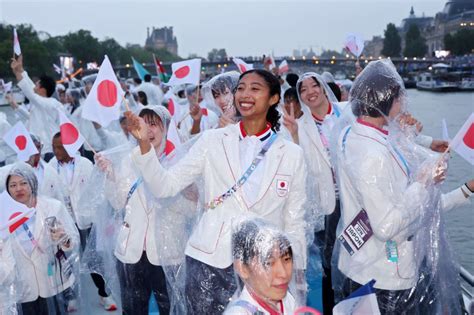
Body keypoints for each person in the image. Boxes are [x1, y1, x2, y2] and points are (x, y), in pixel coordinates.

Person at [125, 69, 307, 314]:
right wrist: (144, 146)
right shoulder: (212, 140)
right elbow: (165, 187)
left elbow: (293, 221)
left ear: (274, 98)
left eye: (255, 89)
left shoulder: (291, 154)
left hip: (265, 267)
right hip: (209, 261)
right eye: (240, 88)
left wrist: (296, 275)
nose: (245, 94)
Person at [334, 59, 473, 313]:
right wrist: (423, 182)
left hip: (362, 264)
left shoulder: (352, 134)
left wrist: (413, 138)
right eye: (400, 97)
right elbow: (387, 225)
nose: (404, 103)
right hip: (385, 275)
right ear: (387, 100)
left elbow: (396, 189)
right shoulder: (373, 153)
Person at [96, 105, 196, 315]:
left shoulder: (182, 162)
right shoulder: (130, 159)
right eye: (143, 124)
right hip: (131, 251)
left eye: (154, 124)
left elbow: (190, 211)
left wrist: (184, 194)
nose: (148, 130)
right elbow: (118, 202)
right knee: (133, 310)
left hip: (168, 252)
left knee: (170, 308)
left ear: (166, 128)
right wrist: (111, 176)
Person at [282, 72, 342, 314]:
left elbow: (384, 127)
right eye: (303, 89)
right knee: (330, 263)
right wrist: (294, 135)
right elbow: (298, 164)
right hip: (328, 205)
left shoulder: (346, 112)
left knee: (358, 261)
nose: (309, 92)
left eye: (313, 85)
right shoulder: (300, 125)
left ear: (323, 87)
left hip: (357, 200)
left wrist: (426, 140)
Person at [48, 132, 117, 311]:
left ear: (69, 147)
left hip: (87, 220)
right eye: (54, 147)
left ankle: (104, 294)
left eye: (60, 147)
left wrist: (103, 218)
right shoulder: (50, 167)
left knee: (93, 258)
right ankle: (71, 296)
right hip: (64, 222)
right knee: (67, 259)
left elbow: (97, 190)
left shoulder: (85, 164)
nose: (56, 151)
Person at [3, 162, 79, 315]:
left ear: (33, 183)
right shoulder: (3, 217)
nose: (18, 189)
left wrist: (64, 239)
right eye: (13, 185)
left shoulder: (53, 207)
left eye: (23, 183)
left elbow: (73, 241)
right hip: (24, 290)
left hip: (53, 283)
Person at [224, 218, 297, 315]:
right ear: (242, 268)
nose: (283, 273)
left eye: (286, 259)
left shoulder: (288, 300)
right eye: (269, 263)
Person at [10, 55, 64, 159]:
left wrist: (17, 72)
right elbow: (30, 88)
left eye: (37, 84)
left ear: (42, 90)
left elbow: (29, 92)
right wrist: (20, 70)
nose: (34, 86)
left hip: (47, 151)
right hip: (37, 149)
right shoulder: (40, 103)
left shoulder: (50, 103)